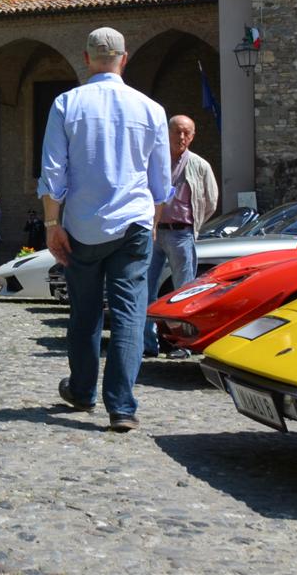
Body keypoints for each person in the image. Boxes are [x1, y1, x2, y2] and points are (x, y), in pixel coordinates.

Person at [39, 28, 172, 432]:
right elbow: (161, 182)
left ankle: (82, 391)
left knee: (84, 311)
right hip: (134, 222)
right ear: (124, 58)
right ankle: (122, 407)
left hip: (82, 224)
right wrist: (152, 223)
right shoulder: (151, 109)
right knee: (130, 314)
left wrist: (51, 223)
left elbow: (53, 171)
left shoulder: (66, 103)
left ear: (86, 58)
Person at [143, 115, 218, 360]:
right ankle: (148, 343)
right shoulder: (154, 162)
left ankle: (182, 345)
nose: (181, 137)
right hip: (154, 232)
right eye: (177, 131)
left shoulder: (199, 165)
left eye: (187, 133)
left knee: (184, 292)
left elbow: (211, 201)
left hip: (181, 234)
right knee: (147, 289)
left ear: (193, 136)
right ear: (167, 133)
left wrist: (192, 225)